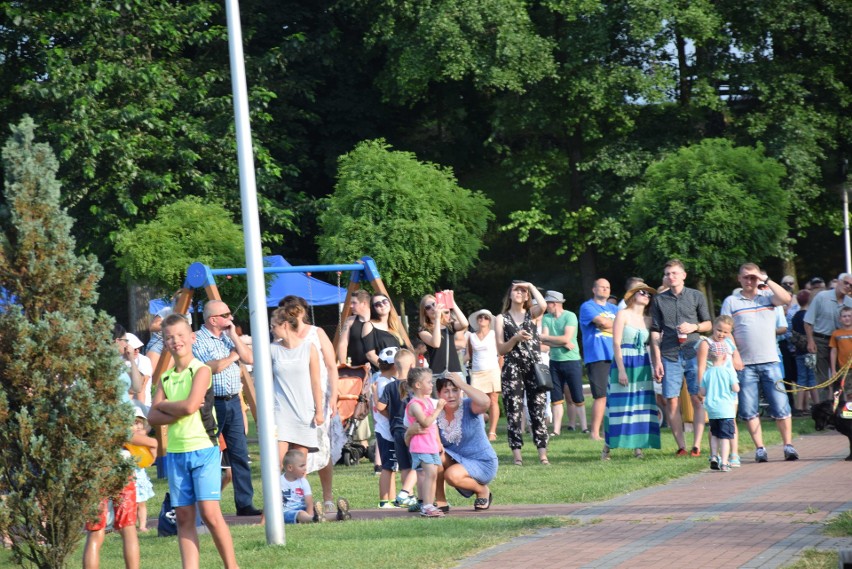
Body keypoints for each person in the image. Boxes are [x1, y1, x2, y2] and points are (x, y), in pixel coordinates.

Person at [147, 314, 238, 569]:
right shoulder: (165, 378)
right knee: (184, 517)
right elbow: (153, 415)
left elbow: (189, 407)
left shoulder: (201, 370)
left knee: (210, 514)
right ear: (164, 343)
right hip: (176, 453)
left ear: (192, 337)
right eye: (169, 337)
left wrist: (166, 406)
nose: (175, 341)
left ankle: (232, 565)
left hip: (203, 450)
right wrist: (167, 405)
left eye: (180, 335)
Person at [721, 263, 798, 462]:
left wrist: (765, 279)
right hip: (745, 363)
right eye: (746, 277)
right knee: (749, 409)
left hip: (771, 361)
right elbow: (725, 330)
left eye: (752, 277)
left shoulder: (767, 298)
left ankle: (788, 446)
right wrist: (735, 355)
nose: (749, 281)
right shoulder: (731, 301)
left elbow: (786, 298)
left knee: (781, 406)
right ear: (739, 278)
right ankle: (760, 448)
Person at [82, 325, 144, 569]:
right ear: (115, 341)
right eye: (123, 340)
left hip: (95, 457)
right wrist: (130, 361)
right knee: (127, 526)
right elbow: (138, 389)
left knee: (95, 531)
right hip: (119, 454)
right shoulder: (118, 372)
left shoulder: (87, 373)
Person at [276, 295, 343, 516]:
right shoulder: (281, 336)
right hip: (290, 401)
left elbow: (332, 367)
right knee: (292, 454)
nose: (292, 312)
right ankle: (295, 499)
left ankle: (327, 497)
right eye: (287, 308)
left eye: (295, 308)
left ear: (303, 310)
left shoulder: (317, 333)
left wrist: (333, 396)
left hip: (318, 397)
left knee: (322, 449)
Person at [192, 299, 259, 516]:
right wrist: (232, 356)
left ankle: (244, 503)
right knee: (209, 454)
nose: (231, 318)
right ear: (213, 319)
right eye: (226, 315)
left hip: (233, 401)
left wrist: (235, 339)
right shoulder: (199, 339)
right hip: (213, 402)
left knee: (240, 453)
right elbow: (214, 367)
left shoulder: (229, 338)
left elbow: (249, 358)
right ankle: (206, 505)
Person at [649, 259, 712, 457]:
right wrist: (657, 360)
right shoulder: (659, 300)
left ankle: (697, 445)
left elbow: (709, 324)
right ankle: (681, 446)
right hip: (669, 354)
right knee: (671, 400)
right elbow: (654, 331)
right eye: (668, 274)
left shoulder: (696, 295)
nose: (671, 277)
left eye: (675, 273)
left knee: (697, 397)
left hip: (693, 351)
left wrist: (694, 327)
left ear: (683, 275)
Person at [602, 284, 661, 460]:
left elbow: (652, 344)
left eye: (649, 295)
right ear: (633, 295)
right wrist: (621, 370)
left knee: (640, 405)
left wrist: (655, 366)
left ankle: (638, 447)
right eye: (642, 292)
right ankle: (607, 446)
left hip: (641, 362)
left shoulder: (649, 320)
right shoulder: (622, 314)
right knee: (618, 405)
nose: (646, 296)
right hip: (624, 360)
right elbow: (616, 343)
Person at [494, 281, 549, 465]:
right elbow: (501, 349)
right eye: (516, 289)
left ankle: (543, 455)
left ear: (527, 296)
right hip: (512, 367)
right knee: (514, 412)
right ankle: (517, 456)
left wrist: (531, 285)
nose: (519, 292)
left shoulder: (531, 314)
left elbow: (543, 305)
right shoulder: (501, 318)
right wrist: (515, 339)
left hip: (533, 367)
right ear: (509, 295)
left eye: (523, 291)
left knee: (538, 410)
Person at [433, 375, 498, 511]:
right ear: (439, 394)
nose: (451, 395)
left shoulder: (469, 405)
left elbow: (486, 402)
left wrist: (462, 384)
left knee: (451, 475)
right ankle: (440, 500)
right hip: (455, 459)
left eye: (455, 390)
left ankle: (482, 490)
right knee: (435, 456)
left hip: (481, 461)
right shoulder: (436, 411)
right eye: (446, 391)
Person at [270, 303, 323, 466]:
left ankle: (299, 492)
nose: (271, 330)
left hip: (303, 412)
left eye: (273, 326)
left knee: (299, 467)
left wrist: (319, 411)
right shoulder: (272, 349)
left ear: (284, 325)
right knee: (277, 463)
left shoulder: (309, 347)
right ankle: (277, 493)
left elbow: (316, 381)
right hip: (280, 413)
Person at [697, 316, 741, 472]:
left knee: (730, 423)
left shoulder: (729, 343)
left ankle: (733, 454)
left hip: (728, 388)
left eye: (726, 332)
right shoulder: (706, 343)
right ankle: (717, 456)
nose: (722, 334)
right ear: (713, 327)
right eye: (719, 330)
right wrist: (701, 388)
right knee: (717, 425)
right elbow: (701, 367)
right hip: (716, 390)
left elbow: (738, 362)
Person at [377, 348, 419, 510]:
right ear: (413, 365)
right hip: (411, 430)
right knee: (417, 463)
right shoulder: (413, 386)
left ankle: (408, 496)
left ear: (395, 365)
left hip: (396, 431)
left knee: (404, 466)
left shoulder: (389, 386)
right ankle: (408, 494)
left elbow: (380, 406)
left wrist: (391, 416)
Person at [541, 290, 586, 437]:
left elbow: (566, 338)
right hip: (554, 361)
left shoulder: (570, 316)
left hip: (572, 360)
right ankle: (556, 430)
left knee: (577, 395)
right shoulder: (546, 318)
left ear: (555, 303)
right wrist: (561, 342)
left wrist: (554, 340)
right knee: (556, 398)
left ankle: (584, 427)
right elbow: (543, 340)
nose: (546, 306)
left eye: (548, 303)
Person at [404, 368, 446, 518]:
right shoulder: (415, 404)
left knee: (433, 474)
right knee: (429, 474)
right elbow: (426, 422)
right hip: (421, 447)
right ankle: (427, 505)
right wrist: (439, 409)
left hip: (430, 446)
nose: (431, 385)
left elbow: (433, 427)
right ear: (418, 385)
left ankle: (429, 503)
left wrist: (437, 442)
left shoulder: (427, 401)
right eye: (428, 382)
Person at [579, 278, 617, 441]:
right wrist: (614, 324)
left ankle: (612, 430)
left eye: (607, 287)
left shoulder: (615, 308)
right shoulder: (587, 306)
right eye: (602, 287)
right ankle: (594, 433)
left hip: (616, 355)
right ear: (594, 290)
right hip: (598, 356)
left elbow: (625, 326)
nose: (605, 290)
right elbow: (601, 322)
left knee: (615, 396)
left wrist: (611, 324)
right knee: (601, 395)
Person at [804, 273, 852, 399]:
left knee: (841, 378)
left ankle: (840, 411)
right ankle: (824, 412)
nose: (848, 286)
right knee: (823, 379)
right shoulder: (822, 297)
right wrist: (810, 341)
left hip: (841, 343)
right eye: (846, 283)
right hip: (821, 340)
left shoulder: (850, 303)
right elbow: (808, 321)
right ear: (839, 282)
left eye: (851, 285)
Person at [279, 449, 351, 524]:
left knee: (318, 512)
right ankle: (313, 518)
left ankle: (339, 516)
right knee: (301, 514)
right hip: (287, 512)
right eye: (301, 466)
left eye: (305, 465)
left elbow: (309, 501)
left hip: (304, 509)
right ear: (290, 468)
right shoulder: (279, 482)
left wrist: (310, 513)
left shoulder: (303, 481)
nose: (305, 468)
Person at [466, 309, 502, 441]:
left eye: (486, 317)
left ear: (490, 321)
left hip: (492, 369)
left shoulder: (494, 334)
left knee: (493, 400)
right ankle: (479, 429)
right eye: (480, 317)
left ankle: (492, 432)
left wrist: (500, 369)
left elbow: (501, 353)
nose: (482, 319)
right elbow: (470, 354)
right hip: (477, 371)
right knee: (477, 401)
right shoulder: (471, 336)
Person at [370, 346, 399, 508]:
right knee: (387, 467)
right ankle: (384, 500)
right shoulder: (383, 384)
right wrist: (396, 419)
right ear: (395, 366)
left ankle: (392, 499)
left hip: (388, 431)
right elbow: (382, 409)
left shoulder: (387, 381)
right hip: (386, 431)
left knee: (392, 467)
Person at [418, 291, 469, 378]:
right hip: (437, 373)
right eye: (428, 307)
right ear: (424, 312)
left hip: (455, 371)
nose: (432, 309)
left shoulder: (448, 325)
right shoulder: (423, 331)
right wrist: (437, 319)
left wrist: (452, 302)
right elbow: (436, 343)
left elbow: (465, 324)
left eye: (434, 304)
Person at [362, 293, 407, 371]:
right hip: (381, 374)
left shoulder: (395, 326)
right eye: (377, 304)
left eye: (385, 301)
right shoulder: (369, 325)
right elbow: (370, 355)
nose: (382, 305)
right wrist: (388, 370)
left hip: (398, 373)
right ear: (373, 309)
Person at [791, 290, 819, 413]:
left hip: (799, 352)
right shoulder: (809, 315)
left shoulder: (795, 316)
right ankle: (817, 405)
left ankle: (799, 406)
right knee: (812, 379)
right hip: (810, 351)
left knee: (801, 379)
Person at [131, 409, 157, 532]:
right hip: (129, 475)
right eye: (134, 423)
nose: (137, 426)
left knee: (141, 503)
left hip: (140, 475)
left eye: (139, 423)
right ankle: (130, 525)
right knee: (130, 504)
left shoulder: (144, 439)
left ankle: (142, 525)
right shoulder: (126, 441)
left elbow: (151, 455)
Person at [337, 290, 371, 366]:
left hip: (376, 368)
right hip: (356, 368)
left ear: (364, 303)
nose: (351, 306)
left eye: (354, 303)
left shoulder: (376, 320)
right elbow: (343, 343)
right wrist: (343, 365)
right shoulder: (350, 321)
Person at [830, 306, 852, 402]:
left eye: (849, 316)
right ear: (840, 319)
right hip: (845, 369)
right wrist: (833, 370)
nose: (847, 318)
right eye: (844, 316)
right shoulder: (836, 333)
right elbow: (834, 351)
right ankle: (849, 411)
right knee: (848, 392)